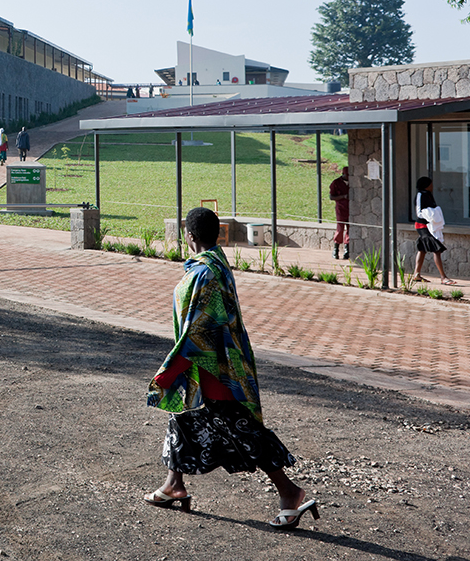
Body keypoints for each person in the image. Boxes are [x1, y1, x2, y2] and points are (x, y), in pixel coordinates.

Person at [144, 207, 318, 530]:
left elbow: (199, 332)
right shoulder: (216, 264)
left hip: (215, 373)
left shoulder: (203, 274)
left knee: (245, 435)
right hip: (217, 367)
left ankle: (290, 492)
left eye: (186, 232)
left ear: (190, 236)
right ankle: (173, 484)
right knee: (180, 419)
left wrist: (169, 371)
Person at [413, 176, 455, 286]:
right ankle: (443, 277)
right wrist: (430, 216)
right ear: (426, 185)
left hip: (430, 225)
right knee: (436, 249)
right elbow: (419, 212)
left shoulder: (429, 195)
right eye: (430, 184)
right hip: (423, 226)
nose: (432, 186)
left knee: (422, 249)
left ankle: (416, 274)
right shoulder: (420, 195)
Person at [328, 169, 349, 260]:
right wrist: (343, 196)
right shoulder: (336, 183)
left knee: (350, 229)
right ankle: (336, 249)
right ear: (343, 174)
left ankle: (347, 250)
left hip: (351, 209)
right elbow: (331, 197)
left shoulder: (353, 182)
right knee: (340, 228)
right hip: (341, 209)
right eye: (347, 175)